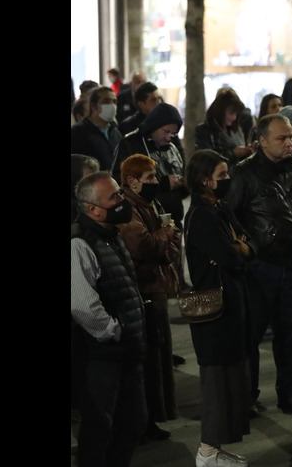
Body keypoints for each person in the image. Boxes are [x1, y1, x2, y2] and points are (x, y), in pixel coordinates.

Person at [225, 114, 292, 416]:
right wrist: (247, 251)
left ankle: (290, 394)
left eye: (291, 136)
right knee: (251, 335)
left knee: (290, 335)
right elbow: (229, 218)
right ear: (261, 141)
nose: (290, 142)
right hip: (260, 268)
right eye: (282, 138)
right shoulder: (243, 175)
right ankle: (247, 396)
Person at [183, 150, 255, 467]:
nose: (227, 180)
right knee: (216, 383)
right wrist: (237, 251)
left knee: (231, 379)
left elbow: (249, 244)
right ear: (204, 180)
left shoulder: (220, 208)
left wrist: (242, 248)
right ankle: (207, 453)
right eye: (222, 175)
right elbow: (230, 257)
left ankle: (217, 448)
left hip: (232, 306)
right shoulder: (202, 216)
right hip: (215, 313)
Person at [71, 172, 148, 467]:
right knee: (99, 428)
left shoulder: (111, 235)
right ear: (92, 209)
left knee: (133, 422)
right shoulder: (79, 242)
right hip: (102, 355)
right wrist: (112, 331)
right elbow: (83, 305)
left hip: (127, 349)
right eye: (114, 197)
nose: (122, 200)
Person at [117, 154, 181, 442]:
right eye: (150, 178)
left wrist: (166, 237)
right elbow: (143, 245)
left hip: (158, 285)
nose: (155, 183)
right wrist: (166, 232)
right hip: (145, 289)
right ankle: (145, 421)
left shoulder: (149, 203)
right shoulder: (128, 209)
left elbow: (170, 249)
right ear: (132, 182)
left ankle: (154, 416)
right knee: (151, 359)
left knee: (160, 356)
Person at [113, 102, 188, 227]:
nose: (170, 137)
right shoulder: (130, 143)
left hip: (173, 218)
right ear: (154, 125)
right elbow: (119, 180)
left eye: (173, 133)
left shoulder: (172, 147)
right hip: (143, 220)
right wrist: (162, 184)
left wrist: (184, 184)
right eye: (166, 131)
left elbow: (181, 172)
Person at [195, 88, 254, 167]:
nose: (234, 118)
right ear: (220, 111)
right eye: (231, 113)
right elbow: (205, 160)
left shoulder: (235, 129)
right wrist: (233, 153)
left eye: (236, 114)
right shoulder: (204, 130)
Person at [71, 85, 123, 171]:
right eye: (106, 101)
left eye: (114, 102)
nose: (112, 106)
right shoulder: (78, 132)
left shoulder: (115, 131)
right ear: (93, 106)